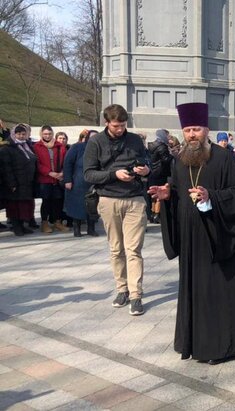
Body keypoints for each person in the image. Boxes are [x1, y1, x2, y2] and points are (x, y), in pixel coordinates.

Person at [149, 102, 235, 364]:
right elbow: (177, 187)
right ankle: (193, 341)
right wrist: (167, 194)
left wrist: (211, 197)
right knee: (195, 290)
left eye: (196, 129)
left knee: (217, 291)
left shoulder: (225, 158)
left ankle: (221, 347)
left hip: (218, 237)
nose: (192, 134)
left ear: (206, 130)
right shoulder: (180, 160)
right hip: (191, 240)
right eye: (187, 130)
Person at [84, 104, 151, 316]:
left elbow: (146, 160)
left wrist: (145, 169)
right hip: (108, 198)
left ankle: (135, 294)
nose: (120, 129)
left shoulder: (135, 140)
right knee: (116, 249)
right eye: (116, 126)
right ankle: (121, 289)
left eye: (123, 125)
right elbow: (88, 174)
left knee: (133, 249)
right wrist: (114, 174)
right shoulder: (95, 142)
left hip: (135, 199)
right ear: (107, 123)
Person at [0, 124, 37, 236]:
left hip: (26, 181)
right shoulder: (7, 148)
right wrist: (11, 183)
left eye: (23, 134)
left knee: (23, 206)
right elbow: (6, 168)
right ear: (14, 134)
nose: (21, 136)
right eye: (19, 134)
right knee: (14, 206)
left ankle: (22, 225)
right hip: (15, 183)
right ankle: (16, 227)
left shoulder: (27, 145)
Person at [63, 130, 99, 237]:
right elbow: (67, 163)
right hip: (77, 182)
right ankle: (76, 229)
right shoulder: (76, 147)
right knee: (77, 206)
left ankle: (91, 229)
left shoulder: (100, 148)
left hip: (93, 182)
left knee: (92, 206)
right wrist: (67, 180)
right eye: (92, 137)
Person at [33, 125, 68, 234]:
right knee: (46, 201)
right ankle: (44, 223)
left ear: (52, 134)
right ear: (41, 134)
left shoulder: (59, 146)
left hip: (58, 177)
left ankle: (57, 222)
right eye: (45, 134)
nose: (47, 136)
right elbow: (37, 163)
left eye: (49, 133)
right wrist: (49, 173)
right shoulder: (37, 146)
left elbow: (66, 160)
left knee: (58, 200)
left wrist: (62, 172)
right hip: (45, 178)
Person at [147, 129, 174, 223]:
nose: (168, 137)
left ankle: (153, 213)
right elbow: (166, 159)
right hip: (161, 172)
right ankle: (157, 215)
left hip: (152, 172)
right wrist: (173, 155)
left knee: (153, 195)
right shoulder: (162, 146)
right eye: (167, 135)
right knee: (159, 193)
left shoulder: (151, 145)